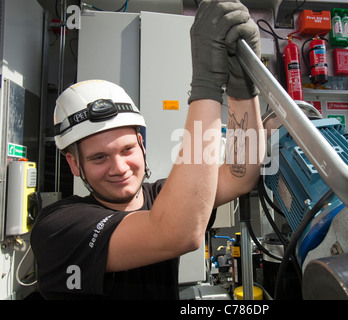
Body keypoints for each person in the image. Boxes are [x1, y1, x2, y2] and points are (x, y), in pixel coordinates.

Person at [31, 0, 264, 299]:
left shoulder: (165, 198)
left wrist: (242, 89)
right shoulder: (59, 226)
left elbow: (239, 175)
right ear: (74, 165)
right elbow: (176, 233)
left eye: (127, 149)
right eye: (99, 157)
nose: (119, 167)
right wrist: (207, 84)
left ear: (142, 145)